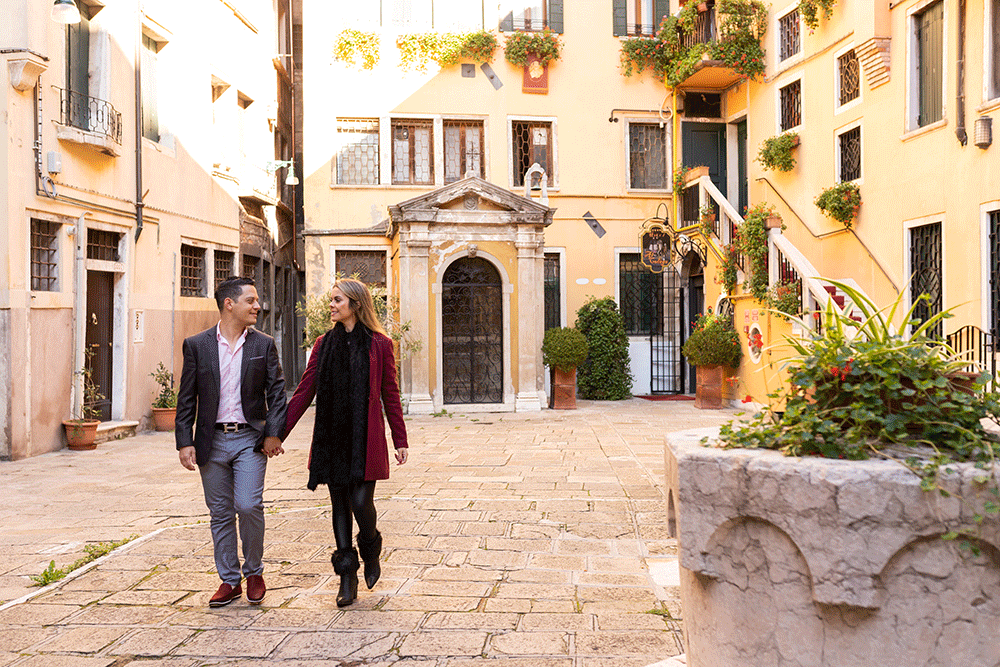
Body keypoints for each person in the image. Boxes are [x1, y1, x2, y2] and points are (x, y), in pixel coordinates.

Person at [284, 278, 408, 608]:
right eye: (332, 300)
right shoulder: (323, 345)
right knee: (339, 504)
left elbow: (390, 394)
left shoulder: (381, 344)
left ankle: (371, 546)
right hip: (332, 437)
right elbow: (303, 392)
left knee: (361, 502)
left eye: (338, 300)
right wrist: (276, 433)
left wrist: (400, 438)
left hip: (365, 437)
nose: (332, 305)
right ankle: (347, 577)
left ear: (355, 304)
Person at [175, 276, 287, 608]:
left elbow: (277, 393)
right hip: (211, 441)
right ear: (229, 304)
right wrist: (185, 440)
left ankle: (254, 572)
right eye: (250, 301)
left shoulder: (263, 344)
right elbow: (186, 398)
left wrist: (273, 433)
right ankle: (229, 580)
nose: (257, 306)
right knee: (220, 512)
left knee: (249, 505)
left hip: (250, 440)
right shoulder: (197, 345)